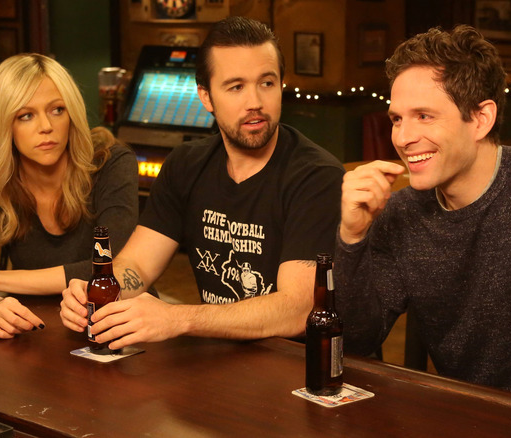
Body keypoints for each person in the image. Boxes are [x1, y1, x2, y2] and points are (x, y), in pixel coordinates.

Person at [334, 25, 511, 409]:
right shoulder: (401, 212)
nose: (403, 138)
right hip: (464, 414)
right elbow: (357, 342)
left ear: (481, 119)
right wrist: (351, 238)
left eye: (424, 116)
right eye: (397, 119)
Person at [60, 16, 344, 349]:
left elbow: (296, 310)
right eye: (236, 87)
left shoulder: (317, 177)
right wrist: (97, 289)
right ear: (206, 97)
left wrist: (178, 318)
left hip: (295, 367)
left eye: (266, 83)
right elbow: (137, 264)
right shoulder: (185, 164)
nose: (255, 101)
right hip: (216, 359)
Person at [0, 53, 138, 339]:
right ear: (4, 124)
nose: (46, 126)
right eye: (26, 115)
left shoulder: (111, 162)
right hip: (38, 331)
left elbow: (114, 268)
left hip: (117, 324)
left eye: (57, 110)